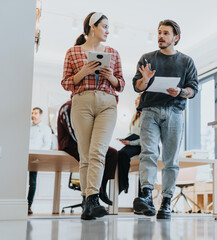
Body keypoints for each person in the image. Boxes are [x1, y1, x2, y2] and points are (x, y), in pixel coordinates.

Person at [61, 12, 125, 220]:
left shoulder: (113, 53)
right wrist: (84, 72)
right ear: (92, 27)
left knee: (98, 151)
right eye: (104, 26)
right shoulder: (73, 52)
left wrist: (112, 77)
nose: (107, 31)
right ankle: (88, 203)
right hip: (82, 101)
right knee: (86, 154)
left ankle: (92, 198)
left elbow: (121, 84)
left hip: (107, 103)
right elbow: (66, 83)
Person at [132, 19, 198, 219]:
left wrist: (180, 91)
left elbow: (193, 89)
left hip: (175, 112)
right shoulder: (147, 58)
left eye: (166, 33)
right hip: (150, 110)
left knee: (170, 160)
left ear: (175, 38)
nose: (161, 36)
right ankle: (145, 196)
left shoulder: (186, 61)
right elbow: (137, 87)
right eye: (159, 32)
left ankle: (166, 202)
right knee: (148, 153)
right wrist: (144, 79)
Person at [57, 100, 117, 206]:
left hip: (88, 142)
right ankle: (93, 194)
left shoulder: (91, 108)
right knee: (90, 156)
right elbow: (73, 132)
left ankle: (102, 187)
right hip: (69, 143)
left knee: (112, 153)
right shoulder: (67, 107)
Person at [28, 107, 52, 215]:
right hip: (24, 155)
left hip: (35, 157)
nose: (33, 115)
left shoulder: (46, 129)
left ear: (41, 115)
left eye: (36, 113)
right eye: (32, 113)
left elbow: (47, 145)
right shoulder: (26, 127)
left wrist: (38, 155)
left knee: (32, 182)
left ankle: (29, 205)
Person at [117, 94, 142, 194]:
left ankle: (124, 185)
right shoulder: (135, 116)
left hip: (141, 145)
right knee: (119, 154)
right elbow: (131, 132)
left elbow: (145, 138)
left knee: (124, 154)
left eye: (138, 99)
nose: (136, 101)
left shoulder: (147, 116)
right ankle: (123, 183)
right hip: (133, 143)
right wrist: (126, 140)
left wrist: (131, 142)